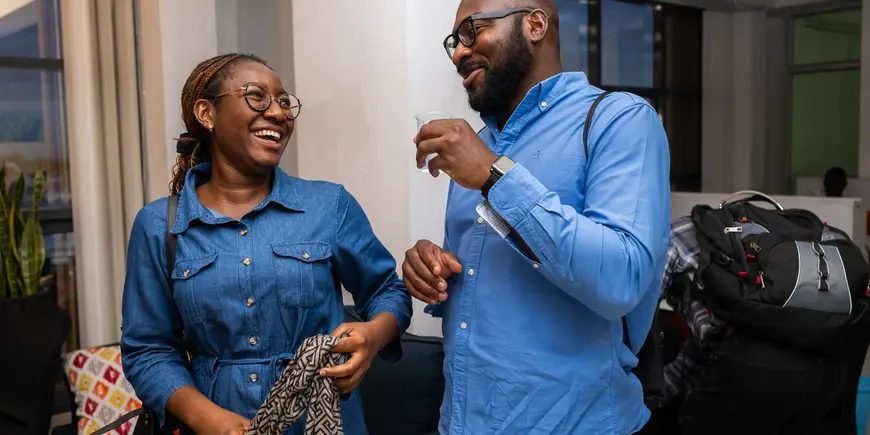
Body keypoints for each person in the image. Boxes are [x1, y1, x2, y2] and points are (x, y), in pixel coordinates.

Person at [401, 0, 671, 433]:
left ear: (535, 24)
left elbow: (621, 280)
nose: (457, 53)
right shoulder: (478, 147)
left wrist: (493, 173)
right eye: (453, 42)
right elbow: (492, 286)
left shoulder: (618, 120)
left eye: (472, 31)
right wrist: (431, 270)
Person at [120, 53, 412, 435]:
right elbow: (147, 349)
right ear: (207, 114)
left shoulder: (329, 205)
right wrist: (206, 418)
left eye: (284, 102)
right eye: (257, 97)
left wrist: (372, 338)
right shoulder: (159, 225)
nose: (277, 112)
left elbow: (388, 291)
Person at [658, 216, 869, 435]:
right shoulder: (770, 235)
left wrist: (638, 401)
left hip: (751, 366)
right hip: (828, 370)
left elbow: (640, 319)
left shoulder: (669, 239)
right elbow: (699, 349)